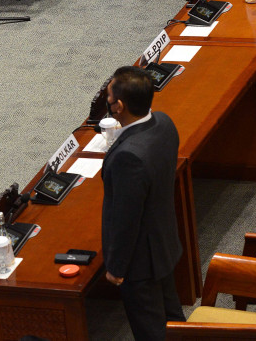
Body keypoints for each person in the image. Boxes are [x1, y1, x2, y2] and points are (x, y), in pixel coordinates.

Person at [101, 66, 184, 341]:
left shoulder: (129, 157)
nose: (107, 102)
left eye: (109, 98)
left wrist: (116, 267)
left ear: (119, 106)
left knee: (152, 331)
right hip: (164, 242)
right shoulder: (164, 123)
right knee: (174, 320)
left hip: (141, 262)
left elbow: (126, 219)